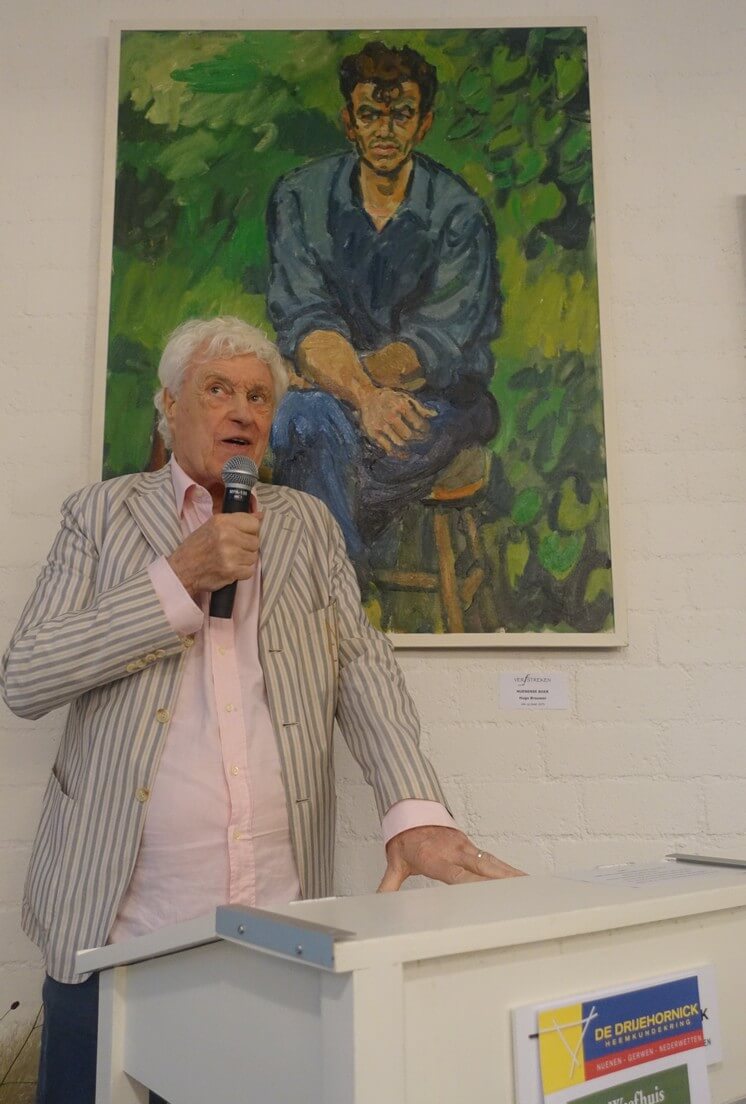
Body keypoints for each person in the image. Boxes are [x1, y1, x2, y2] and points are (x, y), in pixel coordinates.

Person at [1, 317, 522, 1104]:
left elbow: (362, 668)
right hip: (115, 934)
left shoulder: (306, 525)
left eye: (258, 396)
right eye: (218, 390)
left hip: (276, 934)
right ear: (169, 405)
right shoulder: (99, 515)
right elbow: (28, 675)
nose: (242, 411)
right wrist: (179, 577)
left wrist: (414, 813)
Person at [266, 41, 501, 575]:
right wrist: (365, 396)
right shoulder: (299, 197)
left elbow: (431, 347)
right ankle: (344, 592)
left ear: (423, 124)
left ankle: (323, 594)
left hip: (440, 400)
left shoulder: (459, 213)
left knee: (311, 433)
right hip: (339, 398)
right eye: (371, 114)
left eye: (401, 114)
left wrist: (327, 378)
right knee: (306, 421)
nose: (385, 130)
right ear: (349, 122)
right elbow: (308, 319)